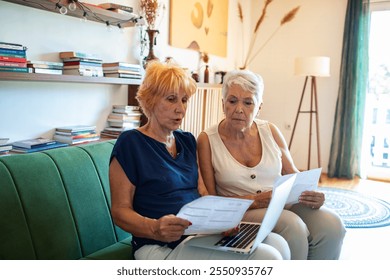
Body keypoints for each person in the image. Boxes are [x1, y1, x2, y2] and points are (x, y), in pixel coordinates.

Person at [109, 61, 291, 260]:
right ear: (150, 100)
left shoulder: (187, 141)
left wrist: (220, 221)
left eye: (184, 100)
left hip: (195, 235)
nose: (180, 109)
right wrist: (154, 228)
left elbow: (204, 194)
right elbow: (120, 211)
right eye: (171, 99)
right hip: (158, 245)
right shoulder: (131, 142)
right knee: (268, 258)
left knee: (278, 244)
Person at [197, 69, 346, 260]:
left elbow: (292, 174)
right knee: (293, 226)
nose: (239, 109)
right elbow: (211, 199)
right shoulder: (207, 140)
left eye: (248, 102)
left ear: (259, 107)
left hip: (279, 202)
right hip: (241, 210)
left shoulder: (270, 131)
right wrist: (257, 200)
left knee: (332, 225)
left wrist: (312, 195)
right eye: (232, 101)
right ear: (223, 104)